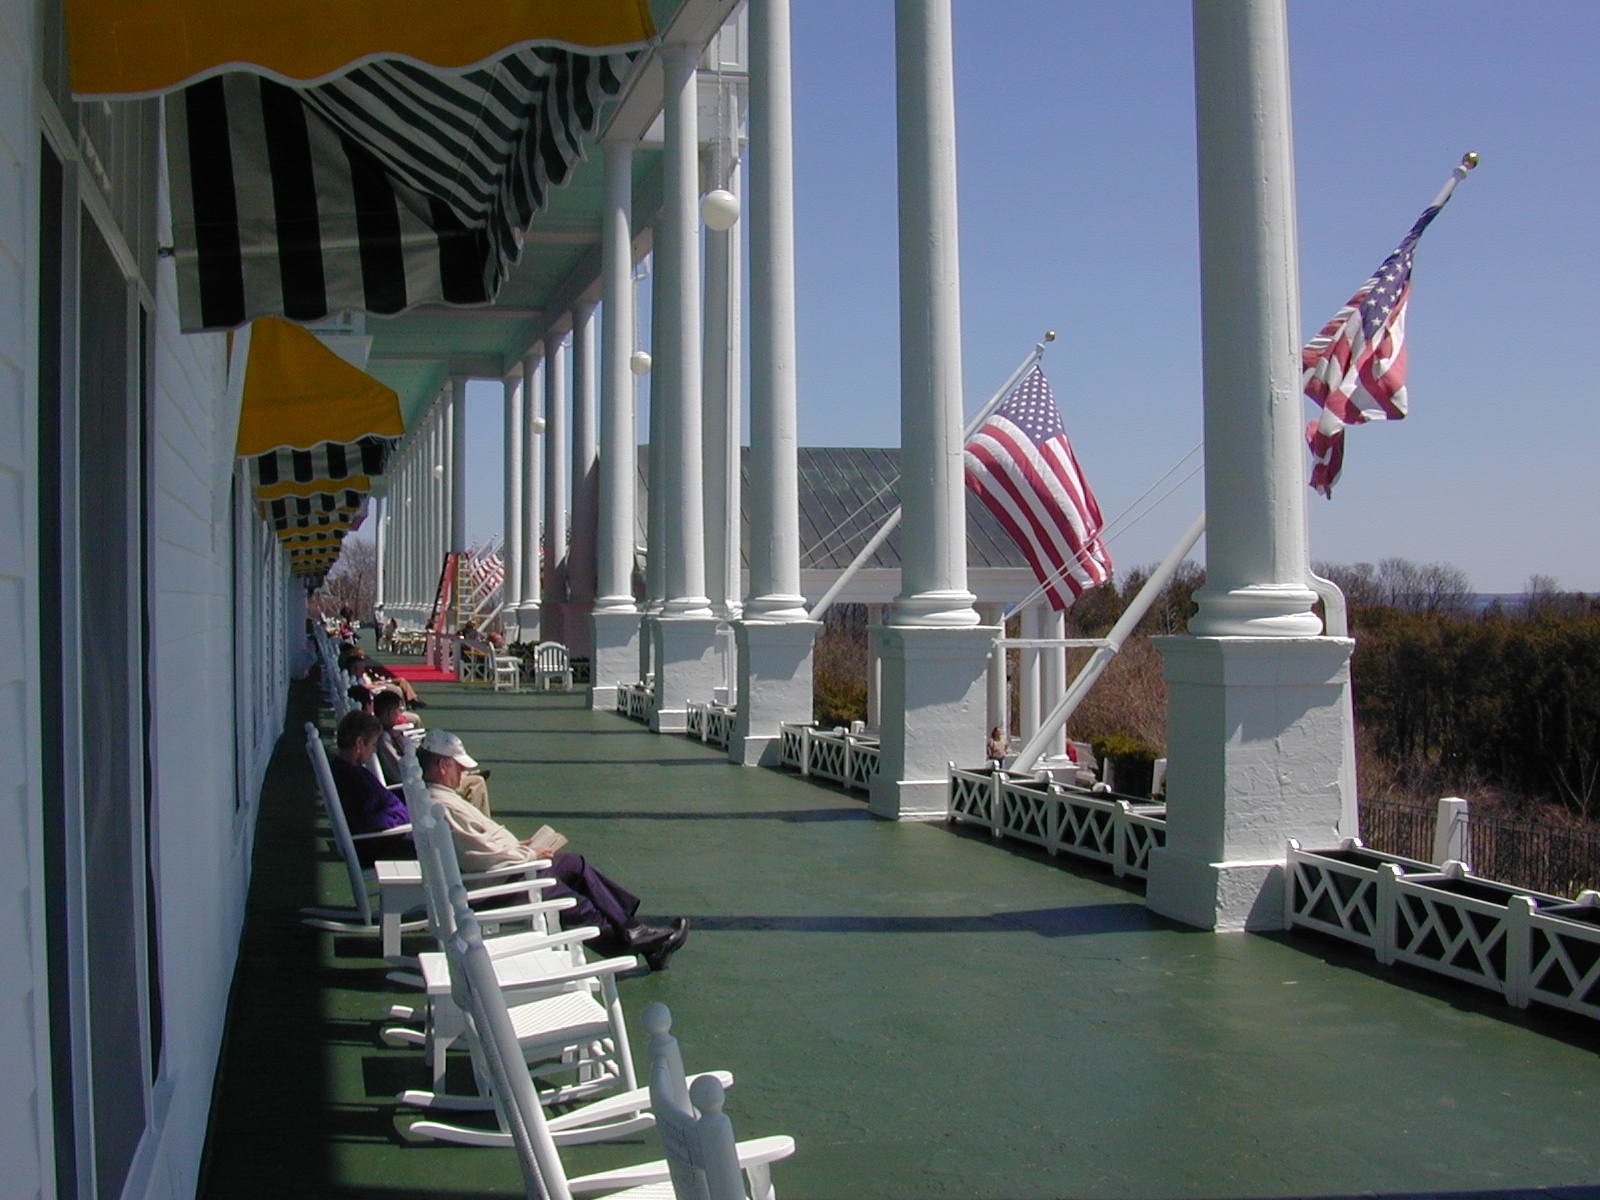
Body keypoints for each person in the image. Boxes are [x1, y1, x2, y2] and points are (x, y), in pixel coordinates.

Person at [417, 728, 689, 971]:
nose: (463, 773)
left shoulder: (440, 797)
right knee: (571, 900)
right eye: (459, 767)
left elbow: (477, 844)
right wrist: (529, 855)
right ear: (442, 765)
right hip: (494, 886)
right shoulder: (443, 805)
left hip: (503, 871)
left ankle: (633, 928)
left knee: (575, 865)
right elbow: (478, 856)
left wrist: (518, 846)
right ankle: (636, 944)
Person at [327, 711, 413, 866]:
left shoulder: (344, 769)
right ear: (360, 743)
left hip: (379, 839)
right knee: (436, 848)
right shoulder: (354, 779)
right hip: (378, 846)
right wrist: (402, 815)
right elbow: (372, 822)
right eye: (373, 744)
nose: (374, 750)